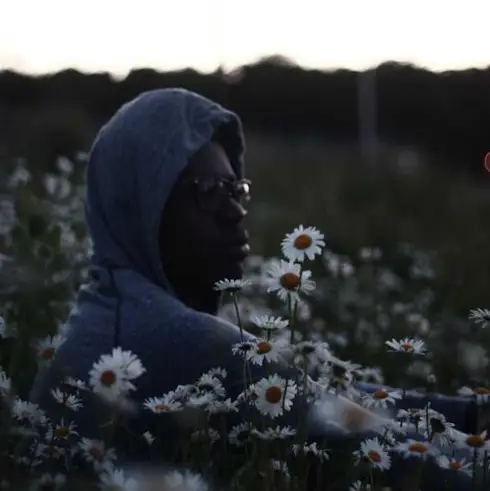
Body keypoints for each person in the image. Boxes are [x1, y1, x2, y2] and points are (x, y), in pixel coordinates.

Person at [31, 88, 475, 489]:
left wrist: (472, 414)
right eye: (209, 191)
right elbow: (403, 461)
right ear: (141, 206)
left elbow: (330, 396)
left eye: (236, 189)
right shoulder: (179, 340)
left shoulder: (106, 313)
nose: (236, 212)